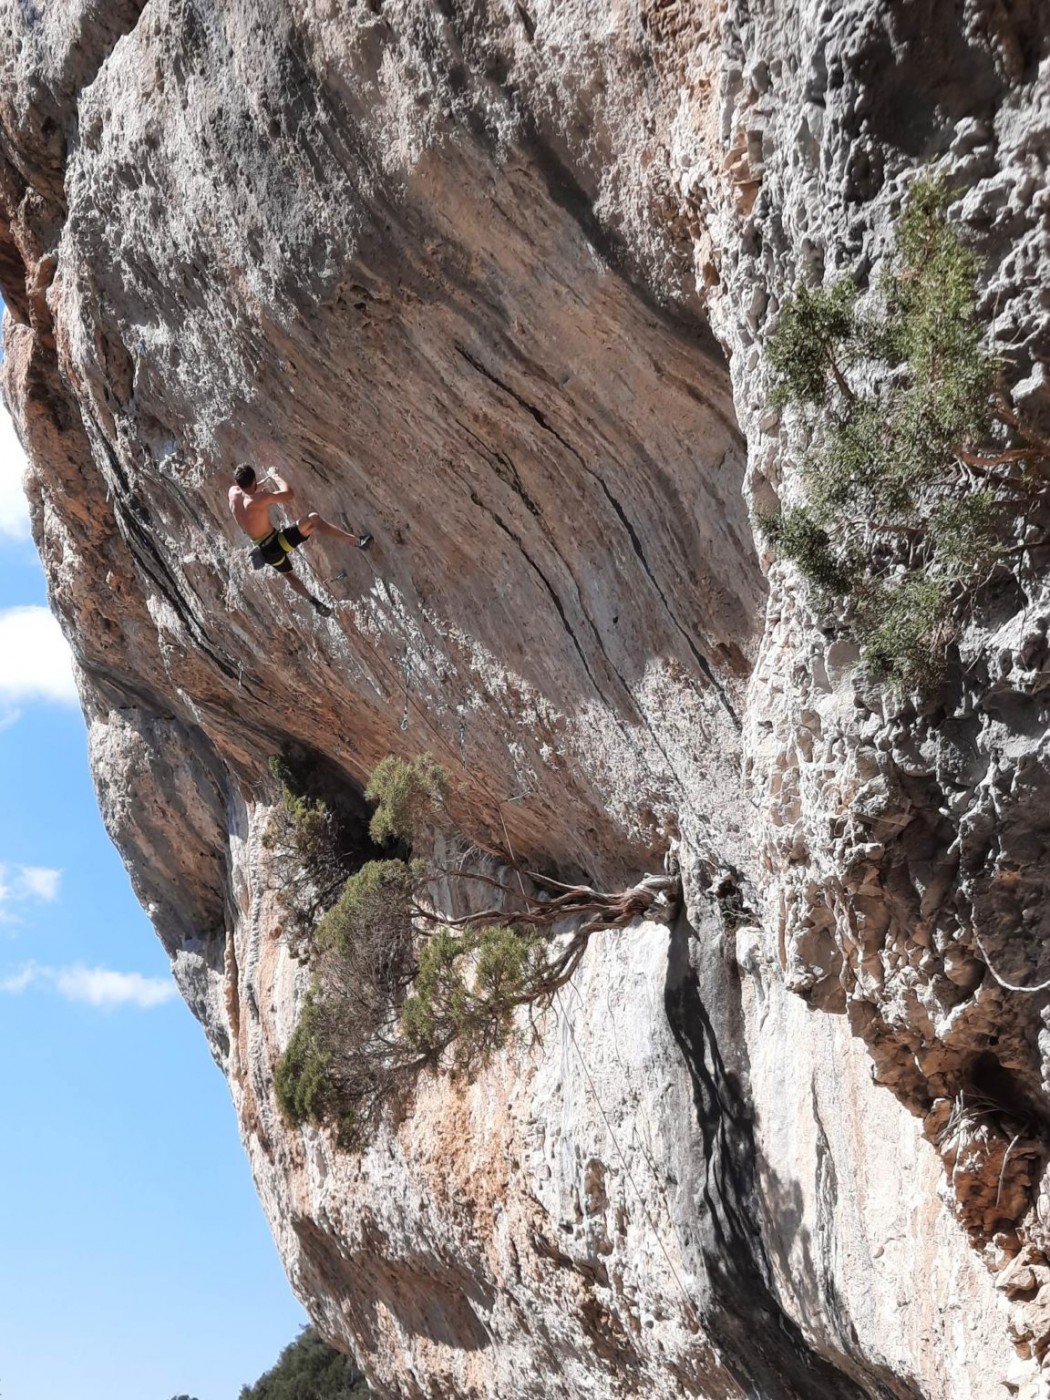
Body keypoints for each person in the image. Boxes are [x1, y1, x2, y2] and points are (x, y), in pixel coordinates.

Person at [228, 464, 372, 617]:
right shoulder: (258, 500)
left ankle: (314, 602)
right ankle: (356, 541)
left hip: (265, 552)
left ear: (237, 483)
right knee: (313, 519)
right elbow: (288, 494)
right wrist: (275, 475)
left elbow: (250, 492)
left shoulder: (232, 493)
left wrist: (262, 482)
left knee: (289, 575)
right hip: (278, 542)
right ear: (253, 479)